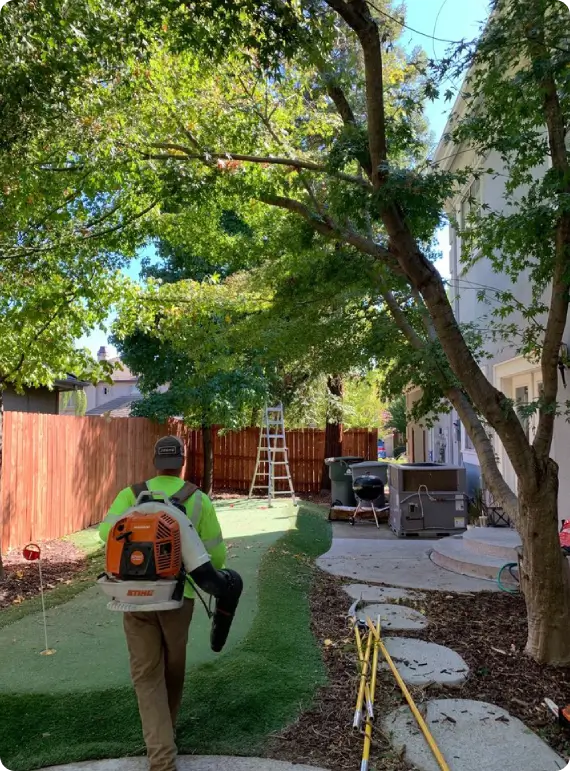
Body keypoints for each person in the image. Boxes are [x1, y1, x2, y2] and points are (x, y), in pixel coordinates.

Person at [99, 435, 226, 771]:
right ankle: (164, 742)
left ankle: (161, 753)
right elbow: (216, 556)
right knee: (172, 668)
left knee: (146, 675)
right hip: (178, 599)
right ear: (182, 462)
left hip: (132, 600)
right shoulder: (197, 500)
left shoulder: (131, 494)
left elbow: (105, 534)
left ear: (154, 462)